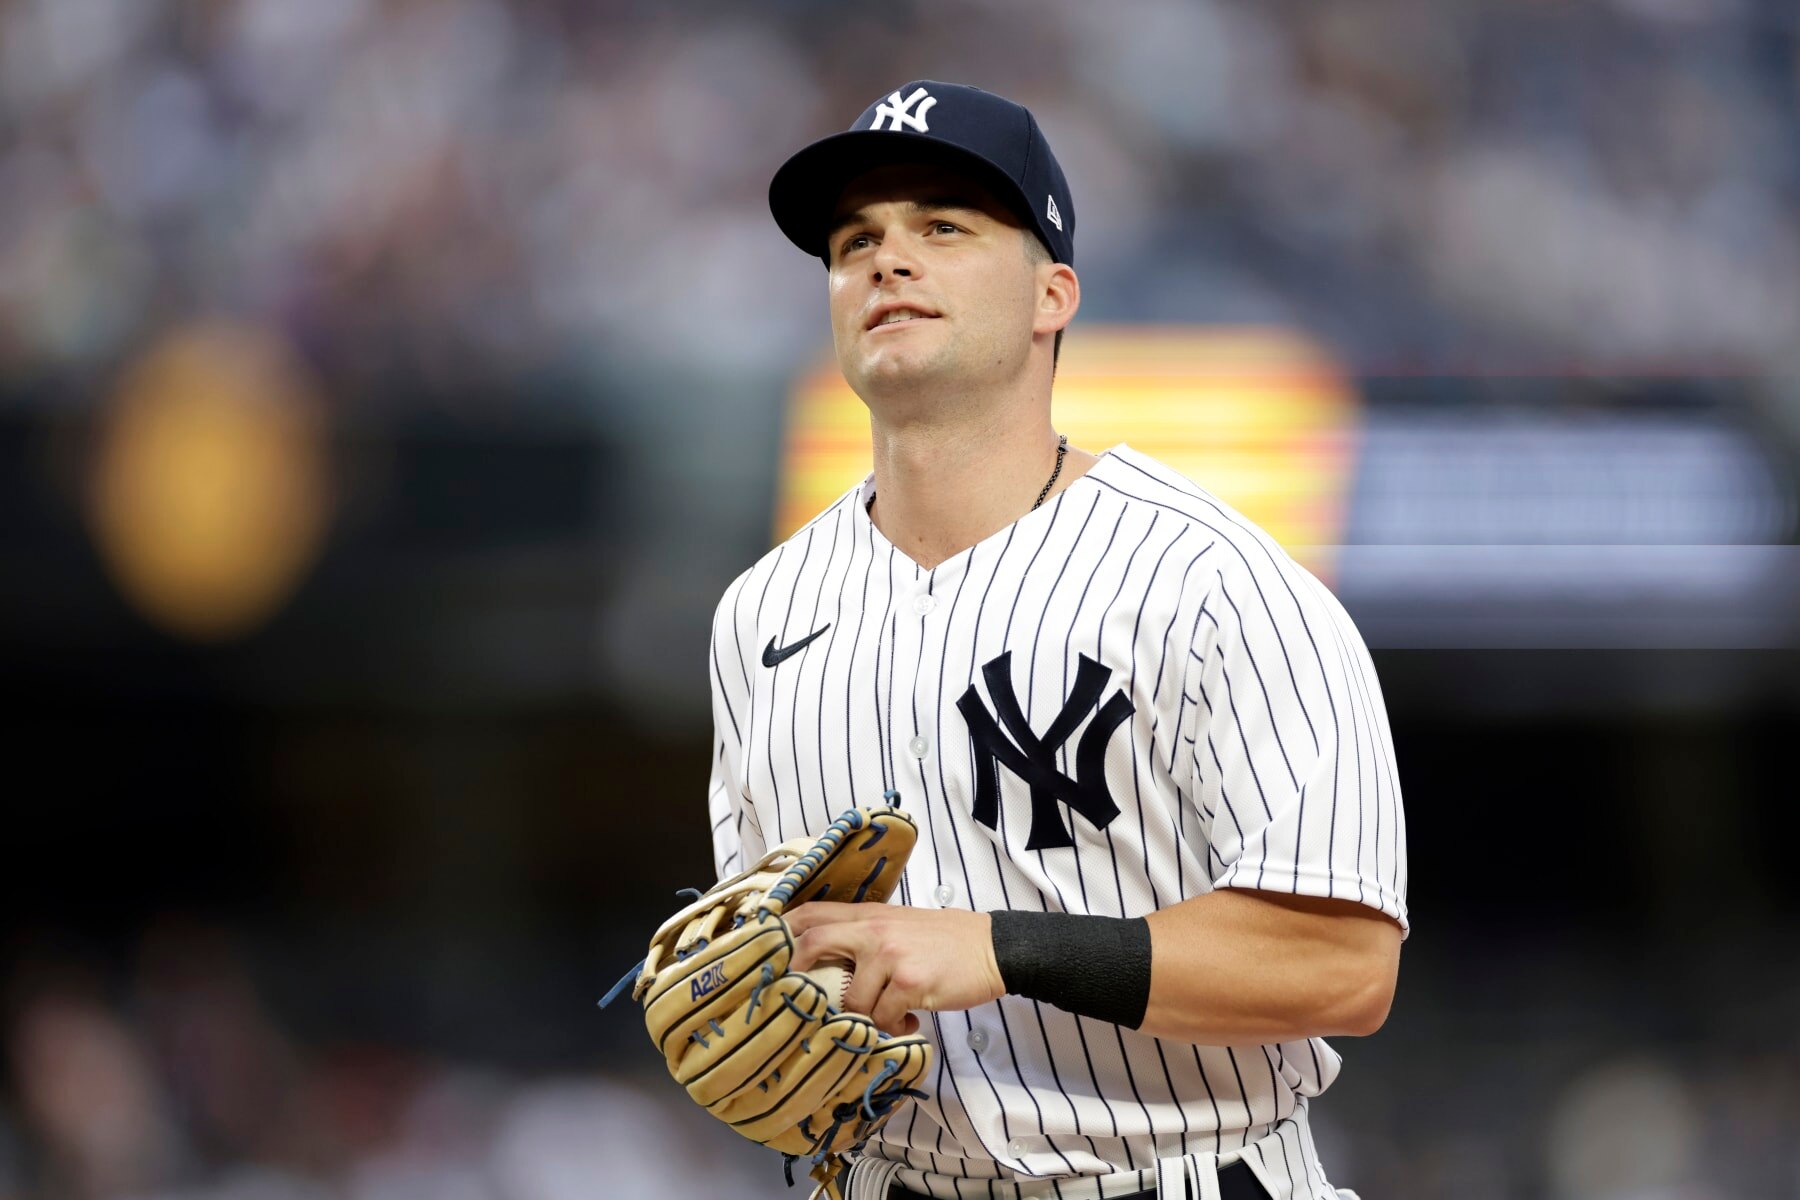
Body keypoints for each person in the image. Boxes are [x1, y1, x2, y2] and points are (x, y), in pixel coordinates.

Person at [707, 81, 1408, 1200]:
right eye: (855, 241)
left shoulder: (1210, 580)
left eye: (943, 226)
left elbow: (1343, 964)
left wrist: (998, 945)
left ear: (1052, 294)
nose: (887, 260)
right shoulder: (763, 614)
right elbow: (784, 968)